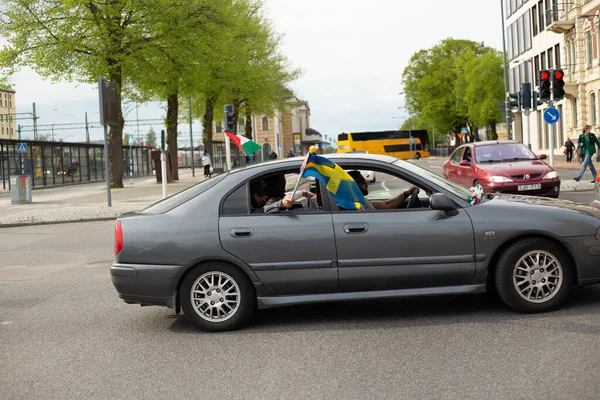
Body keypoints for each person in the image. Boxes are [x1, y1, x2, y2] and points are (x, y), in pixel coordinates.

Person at [347, 170, 419, 210]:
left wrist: (407, 193)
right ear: (354, 185)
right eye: (362, 181)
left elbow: (387, 205)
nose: (366, 182)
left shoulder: (363, 201)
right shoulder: (355, 206)